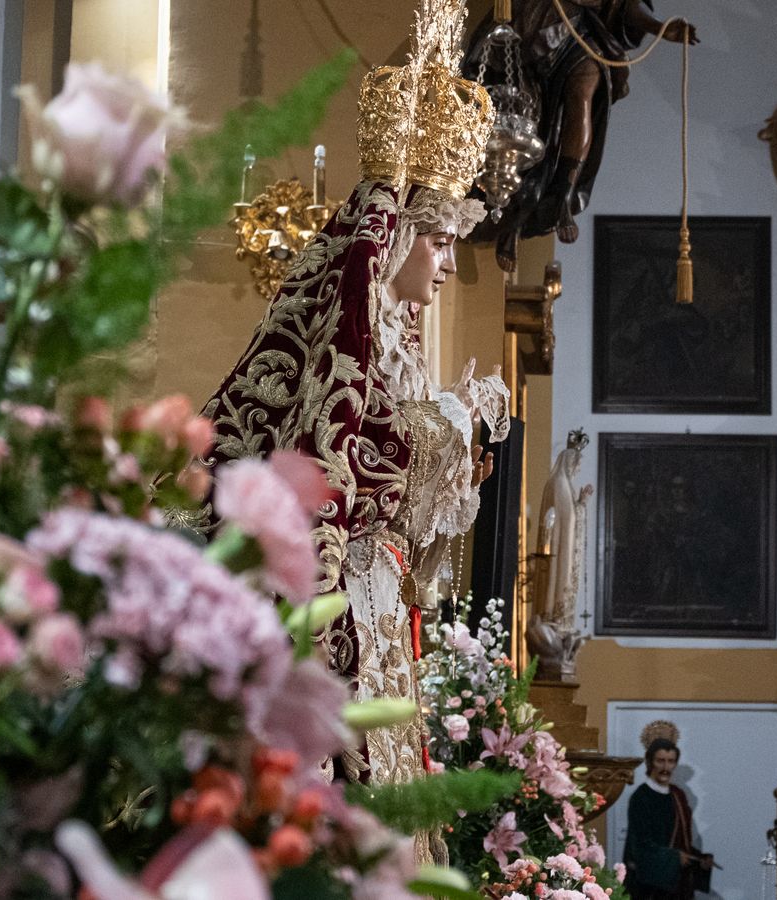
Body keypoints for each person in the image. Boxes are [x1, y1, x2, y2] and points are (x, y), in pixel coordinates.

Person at [200, 0, 509, 795]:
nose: (448, 265)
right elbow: (347, 457)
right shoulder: (349, 330)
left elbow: (398, 492)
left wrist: (452, 454)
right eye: (440, 242)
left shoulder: (398, 338)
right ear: (398, 237)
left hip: (379, 600)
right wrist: (454, 420)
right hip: (343, 597)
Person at [464, 0, 698, 269]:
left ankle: (563, 193)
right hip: (531, 24)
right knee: (523, 120)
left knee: (583, 90)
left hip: (580, 32)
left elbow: (624, 4)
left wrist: (659, 28)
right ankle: (514, 218)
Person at [624, 722, 713, 900]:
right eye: (660, 761)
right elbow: (640, 847)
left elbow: (681, 843)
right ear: (650, 762)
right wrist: (674, 858)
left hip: (678, 884)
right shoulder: (641, 797)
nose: (665, 768)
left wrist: (699, 860)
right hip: (650, 887)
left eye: (671, 761)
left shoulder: (678, 795)